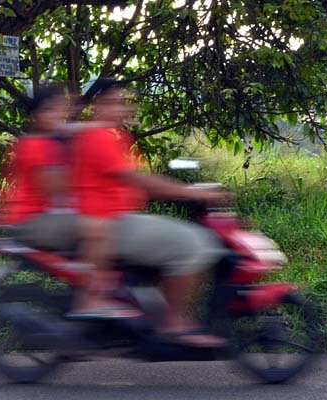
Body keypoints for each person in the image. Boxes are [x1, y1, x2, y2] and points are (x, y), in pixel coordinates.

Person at [69, 79, 230, 346]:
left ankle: (152, 312)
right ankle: (175, 323)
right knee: (195, 243)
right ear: (97, 105)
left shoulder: (111, 136)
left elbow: (137, 179)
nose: (122, 109)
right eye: (116, 102)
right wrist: (193, 193)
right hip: (110, 223)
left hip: (116, 220)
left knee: (171, 237)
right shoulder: (99, 137)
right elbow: (139, 181)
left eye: (124, 103)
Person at [0, 85, 134, 318]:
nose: (58, 116)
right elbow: (54, 189)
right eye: (51, 110)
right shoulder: (36, 145)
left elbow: (81, 128)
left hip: (47, 217)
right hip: (33, 220)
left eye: (62, 109)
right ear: (35, 116)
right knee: (97, 226)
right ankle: (91, 299)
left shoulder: (51, 141)